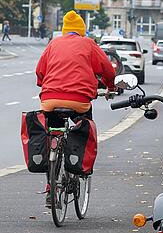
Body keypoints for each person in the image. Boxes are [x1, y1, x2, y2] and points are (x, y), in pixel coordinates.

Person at [35, 11, 116, 207]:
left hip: (50, 100)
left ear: (64, 30)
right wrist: (110, 87)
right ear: (81, 31)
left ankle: (50, 188)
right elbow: (107, 69)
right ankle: (78, 166)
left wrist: (45, 84)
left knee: (52, 136)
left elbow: (40, 72)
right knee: (84, 128)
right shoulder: (88, 44)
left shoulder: (54, 43)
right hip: (79, 100)